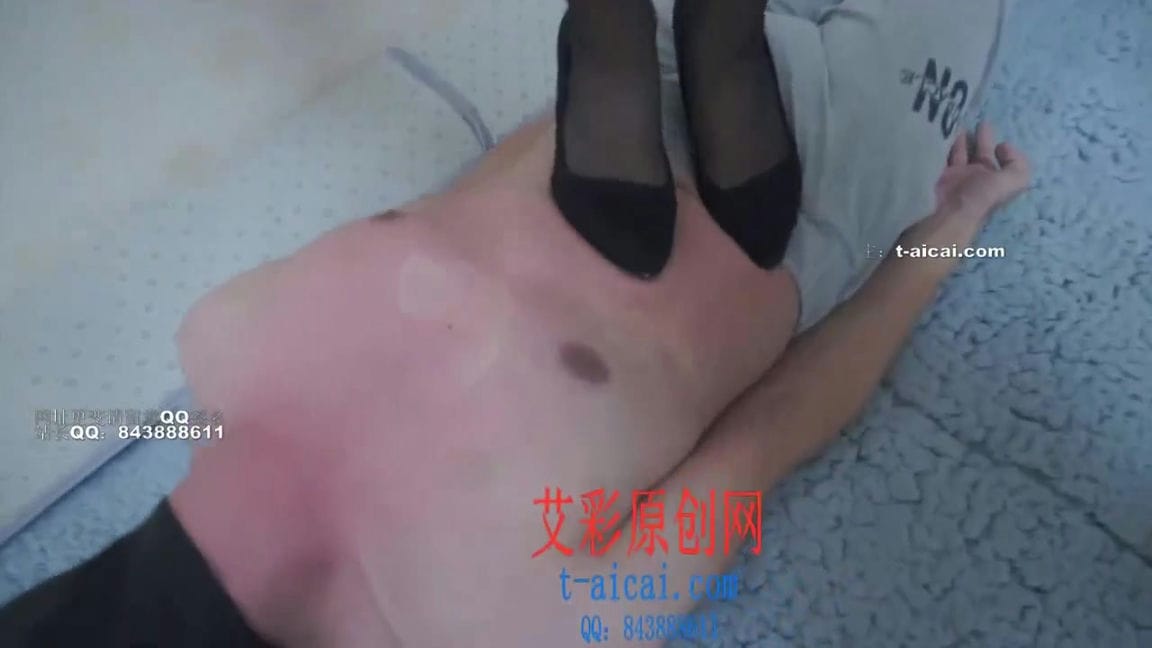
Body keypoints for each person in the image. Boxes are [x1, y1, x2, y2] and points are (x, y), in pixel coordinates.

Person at [0, 0, 1029, 646]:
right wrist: (953, 224)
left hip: (635, 85)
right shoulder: (527, 625)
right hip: (827, 175)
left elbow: (480, 194)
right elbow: (779, 425)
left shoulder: (219, 352)